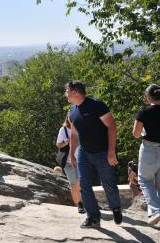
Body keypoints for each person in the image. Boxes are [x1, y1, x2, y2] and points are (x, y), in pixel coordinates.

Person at [66, 81, 122, 228]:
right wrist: (72, 154)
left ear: (75, 92)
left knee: (108, 184)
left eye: (67, 91)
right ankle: (93, 217)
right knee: (84, 185)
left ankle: (115, 208)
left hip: (103, 152)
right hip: (83, 153)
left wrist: (111, 152)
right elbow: (73, 134)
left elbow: (112, 126)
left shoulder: (97, 105)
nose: (66, 94)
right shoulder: (72, 111)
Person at [132, 84, 160, 226]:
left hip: (150, 149)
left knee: (144, 180)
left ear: (148, 97)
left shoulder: (144, 112)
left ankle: (156, 211)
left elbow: (136, 134)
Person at [56, 114, 85, 214]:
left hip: (81, 161)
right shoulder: (63, 130)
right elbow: (58, 144)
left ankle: (84, 203)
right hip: (69, 162)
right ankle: (80, 205)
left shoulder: (82, 128)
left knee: (81, 183)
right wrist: (65, 142)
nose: (72, 118)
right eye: (70, 116)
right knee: (74, 185)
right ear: (67, 118)